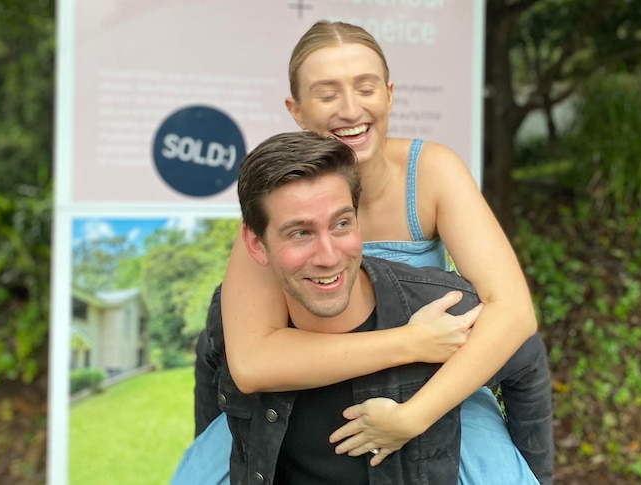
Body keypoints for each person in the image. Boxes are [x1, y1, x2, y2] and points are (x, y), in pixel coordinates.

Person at [173, 20, 554, 485]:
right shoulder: (278, 199)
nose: (351, 109)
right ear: (296, 109)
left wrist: (413, 416)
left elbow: (512, 313)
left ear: (389, 94)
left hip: (429, 389)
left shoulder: (431, 172)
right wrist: (407, 342)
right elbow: (252, 363)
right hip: (305, 394)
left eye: (365, 87)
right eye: (328, 94)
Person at [196, 130, 545, 484]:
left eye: (341, 224)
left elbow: (525, 355)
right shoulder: (234, 320)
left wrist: (535, 474)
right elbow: (214, 381)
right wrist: (409, 343)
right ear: (256, 245)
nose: (328, 257)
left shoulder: (440, 313)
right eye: (300, 233)